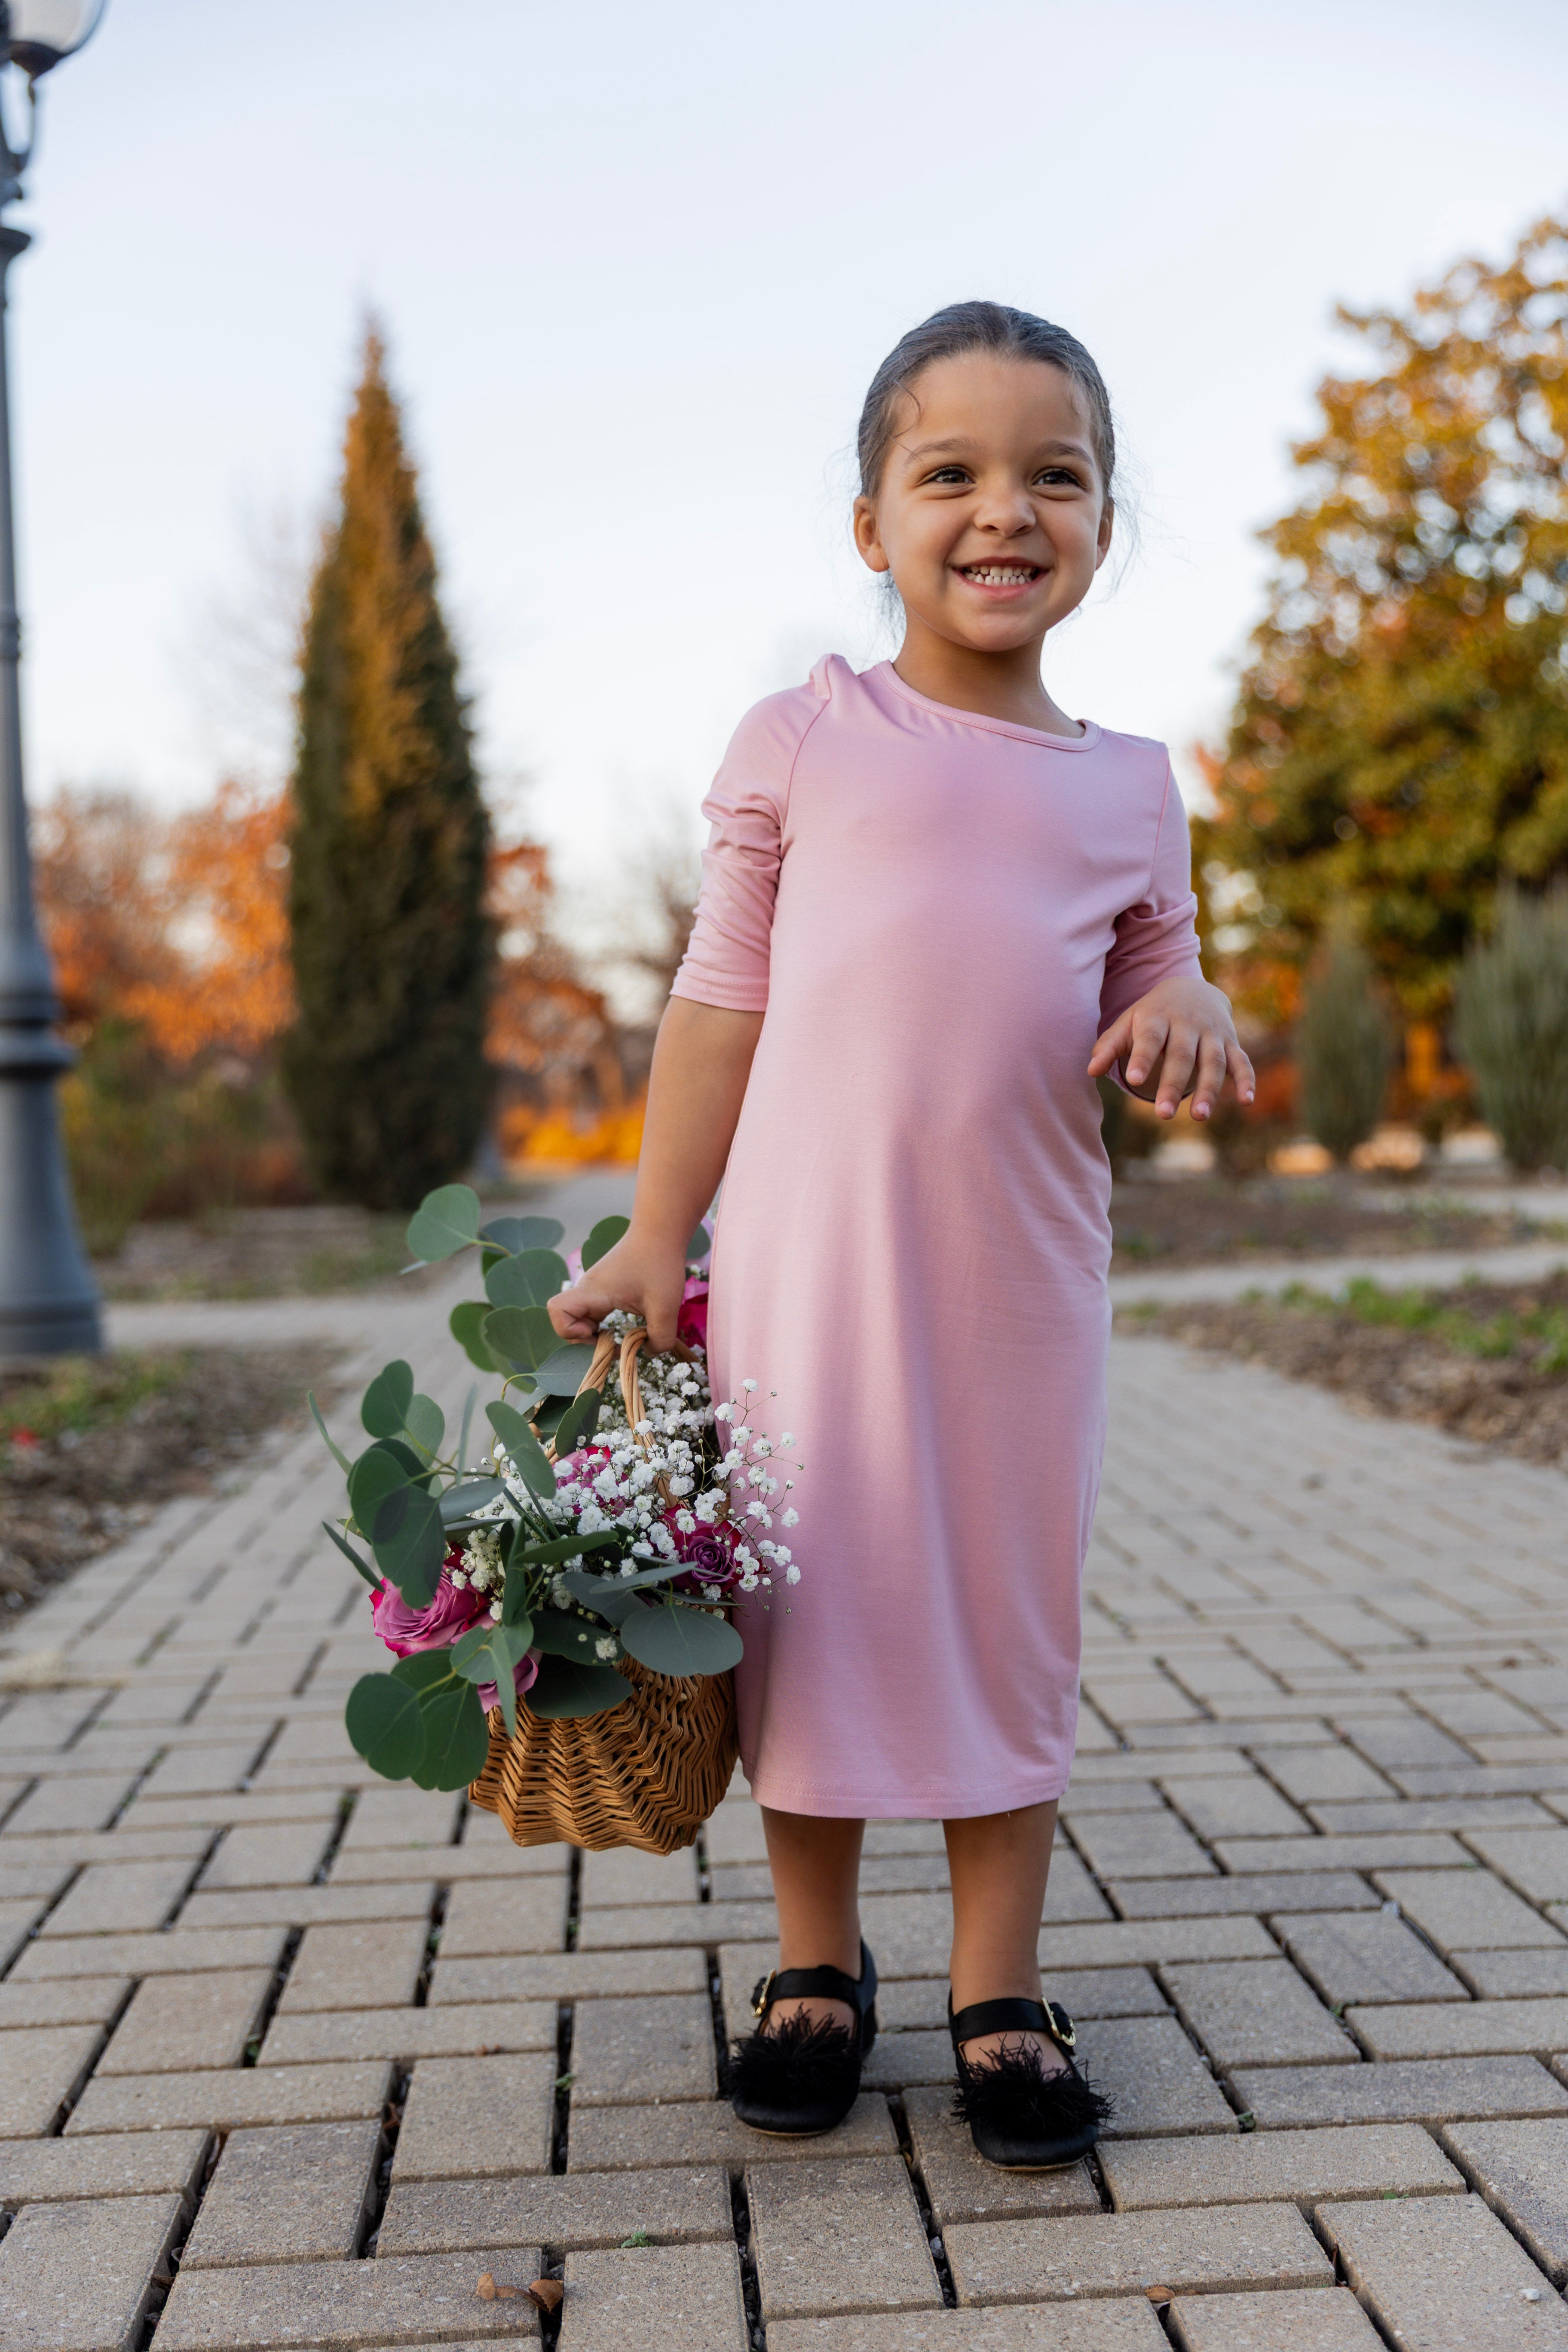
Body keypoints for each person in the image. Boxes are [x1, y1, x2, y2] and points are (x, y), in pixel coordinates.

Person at [549, 300, 1254, 2170]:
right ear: (873, 524)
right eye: (951, 473)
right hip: (808, 1275)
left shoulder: (1131, 784)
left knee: (1006, 1608)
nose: (1004, 510)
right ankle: (815, 1966)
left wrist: (1194, 1009)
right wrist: (654, 1238)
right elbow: (719, 998)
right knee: (816, 1605)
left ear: (1104, 524)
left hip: (1022, 1276)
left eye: (1055, 475)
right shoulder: (806, 735)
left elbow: (1161, 974)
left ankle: (999, 1988)